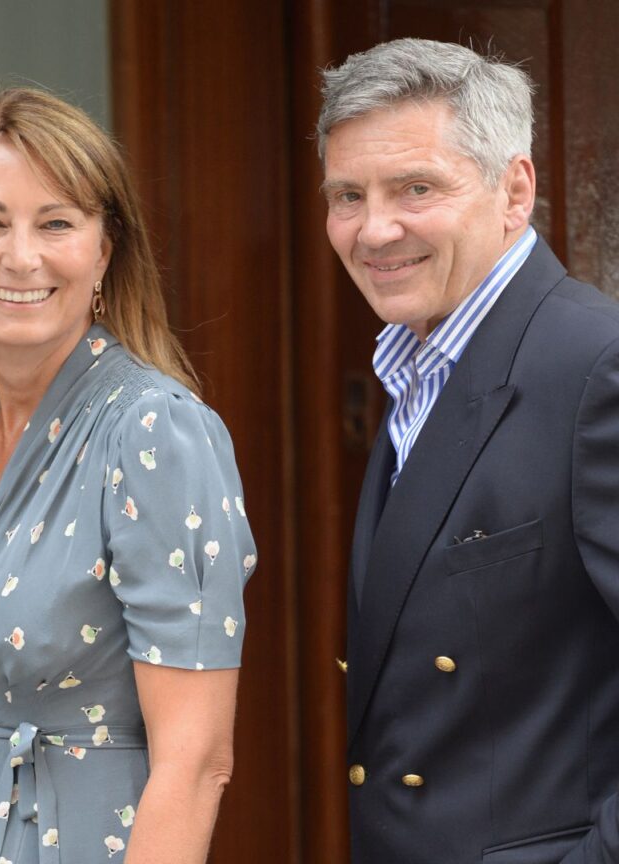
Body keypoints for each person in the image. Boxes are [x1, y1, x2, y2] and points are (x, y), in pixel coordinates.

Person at [0, 88, 256, 864]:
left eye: (56, 223)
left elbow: (196, 764)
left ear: (104, 251)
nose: (22, 256)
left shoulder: (154, 433)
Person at [320, 38, 619, 863]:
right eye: (348, 195)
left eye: (416, 188)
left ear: (513, 190)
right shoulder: (417, 362)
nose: (375, 230)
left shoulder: (595, 368)